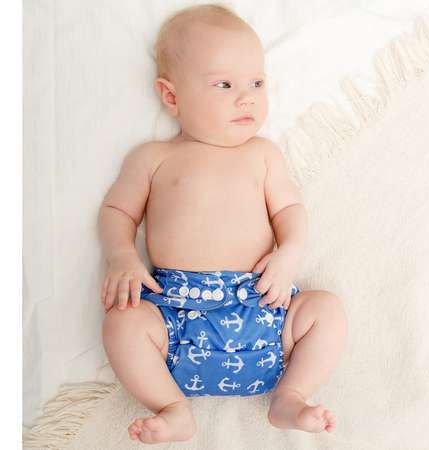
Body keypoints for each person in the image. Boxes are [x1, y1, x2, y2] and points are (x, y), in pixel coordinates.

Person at [98, 4, 348, 444]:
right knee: (122, 323)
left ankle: (290, 396)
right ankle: (172, 408)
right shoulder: (153, 158)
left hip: (265, 308)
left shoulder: (263, 154)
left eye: (257, 82)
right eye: (224, 84)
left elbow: (290, 209)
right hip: (175, 316)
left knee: (326, 310)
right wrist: (121, 255)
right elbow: (118, 211)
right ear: (171, 96)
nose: (246, 97)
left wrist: (289, 255)